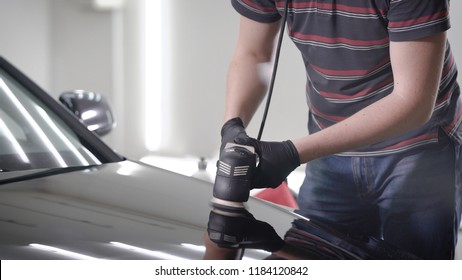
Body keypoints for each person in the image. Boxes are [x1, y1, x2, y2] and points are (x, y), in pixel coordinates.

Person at [219, 0, 462, 259]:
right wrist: (232, 125)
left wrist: (290, 153)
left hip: (418, 151)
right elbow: (253, 54)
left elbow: (412, 102)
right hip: (330, 150)